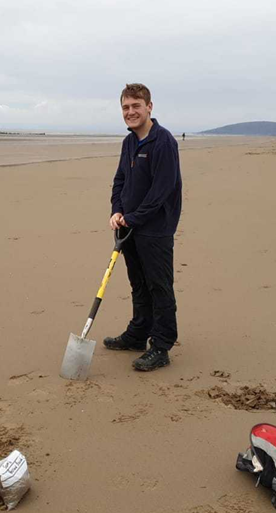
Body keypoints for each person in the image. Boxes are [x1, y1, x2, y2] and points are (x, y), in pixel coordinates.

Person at [103, 83, 182, 371]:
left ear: (149, 107)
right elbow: (120, 181)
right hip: (129, 228)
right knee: (138, 285)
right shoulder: (128, 143)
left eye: (136, 106)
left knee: (159, 287)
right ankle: (137, 333)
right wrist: (117, 211)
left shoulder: (163, 142)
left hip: (155, 229)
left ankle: (161, 345)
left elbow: (162, 191)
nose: (130, 112)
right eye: (125, 107)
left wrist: (133, 218)